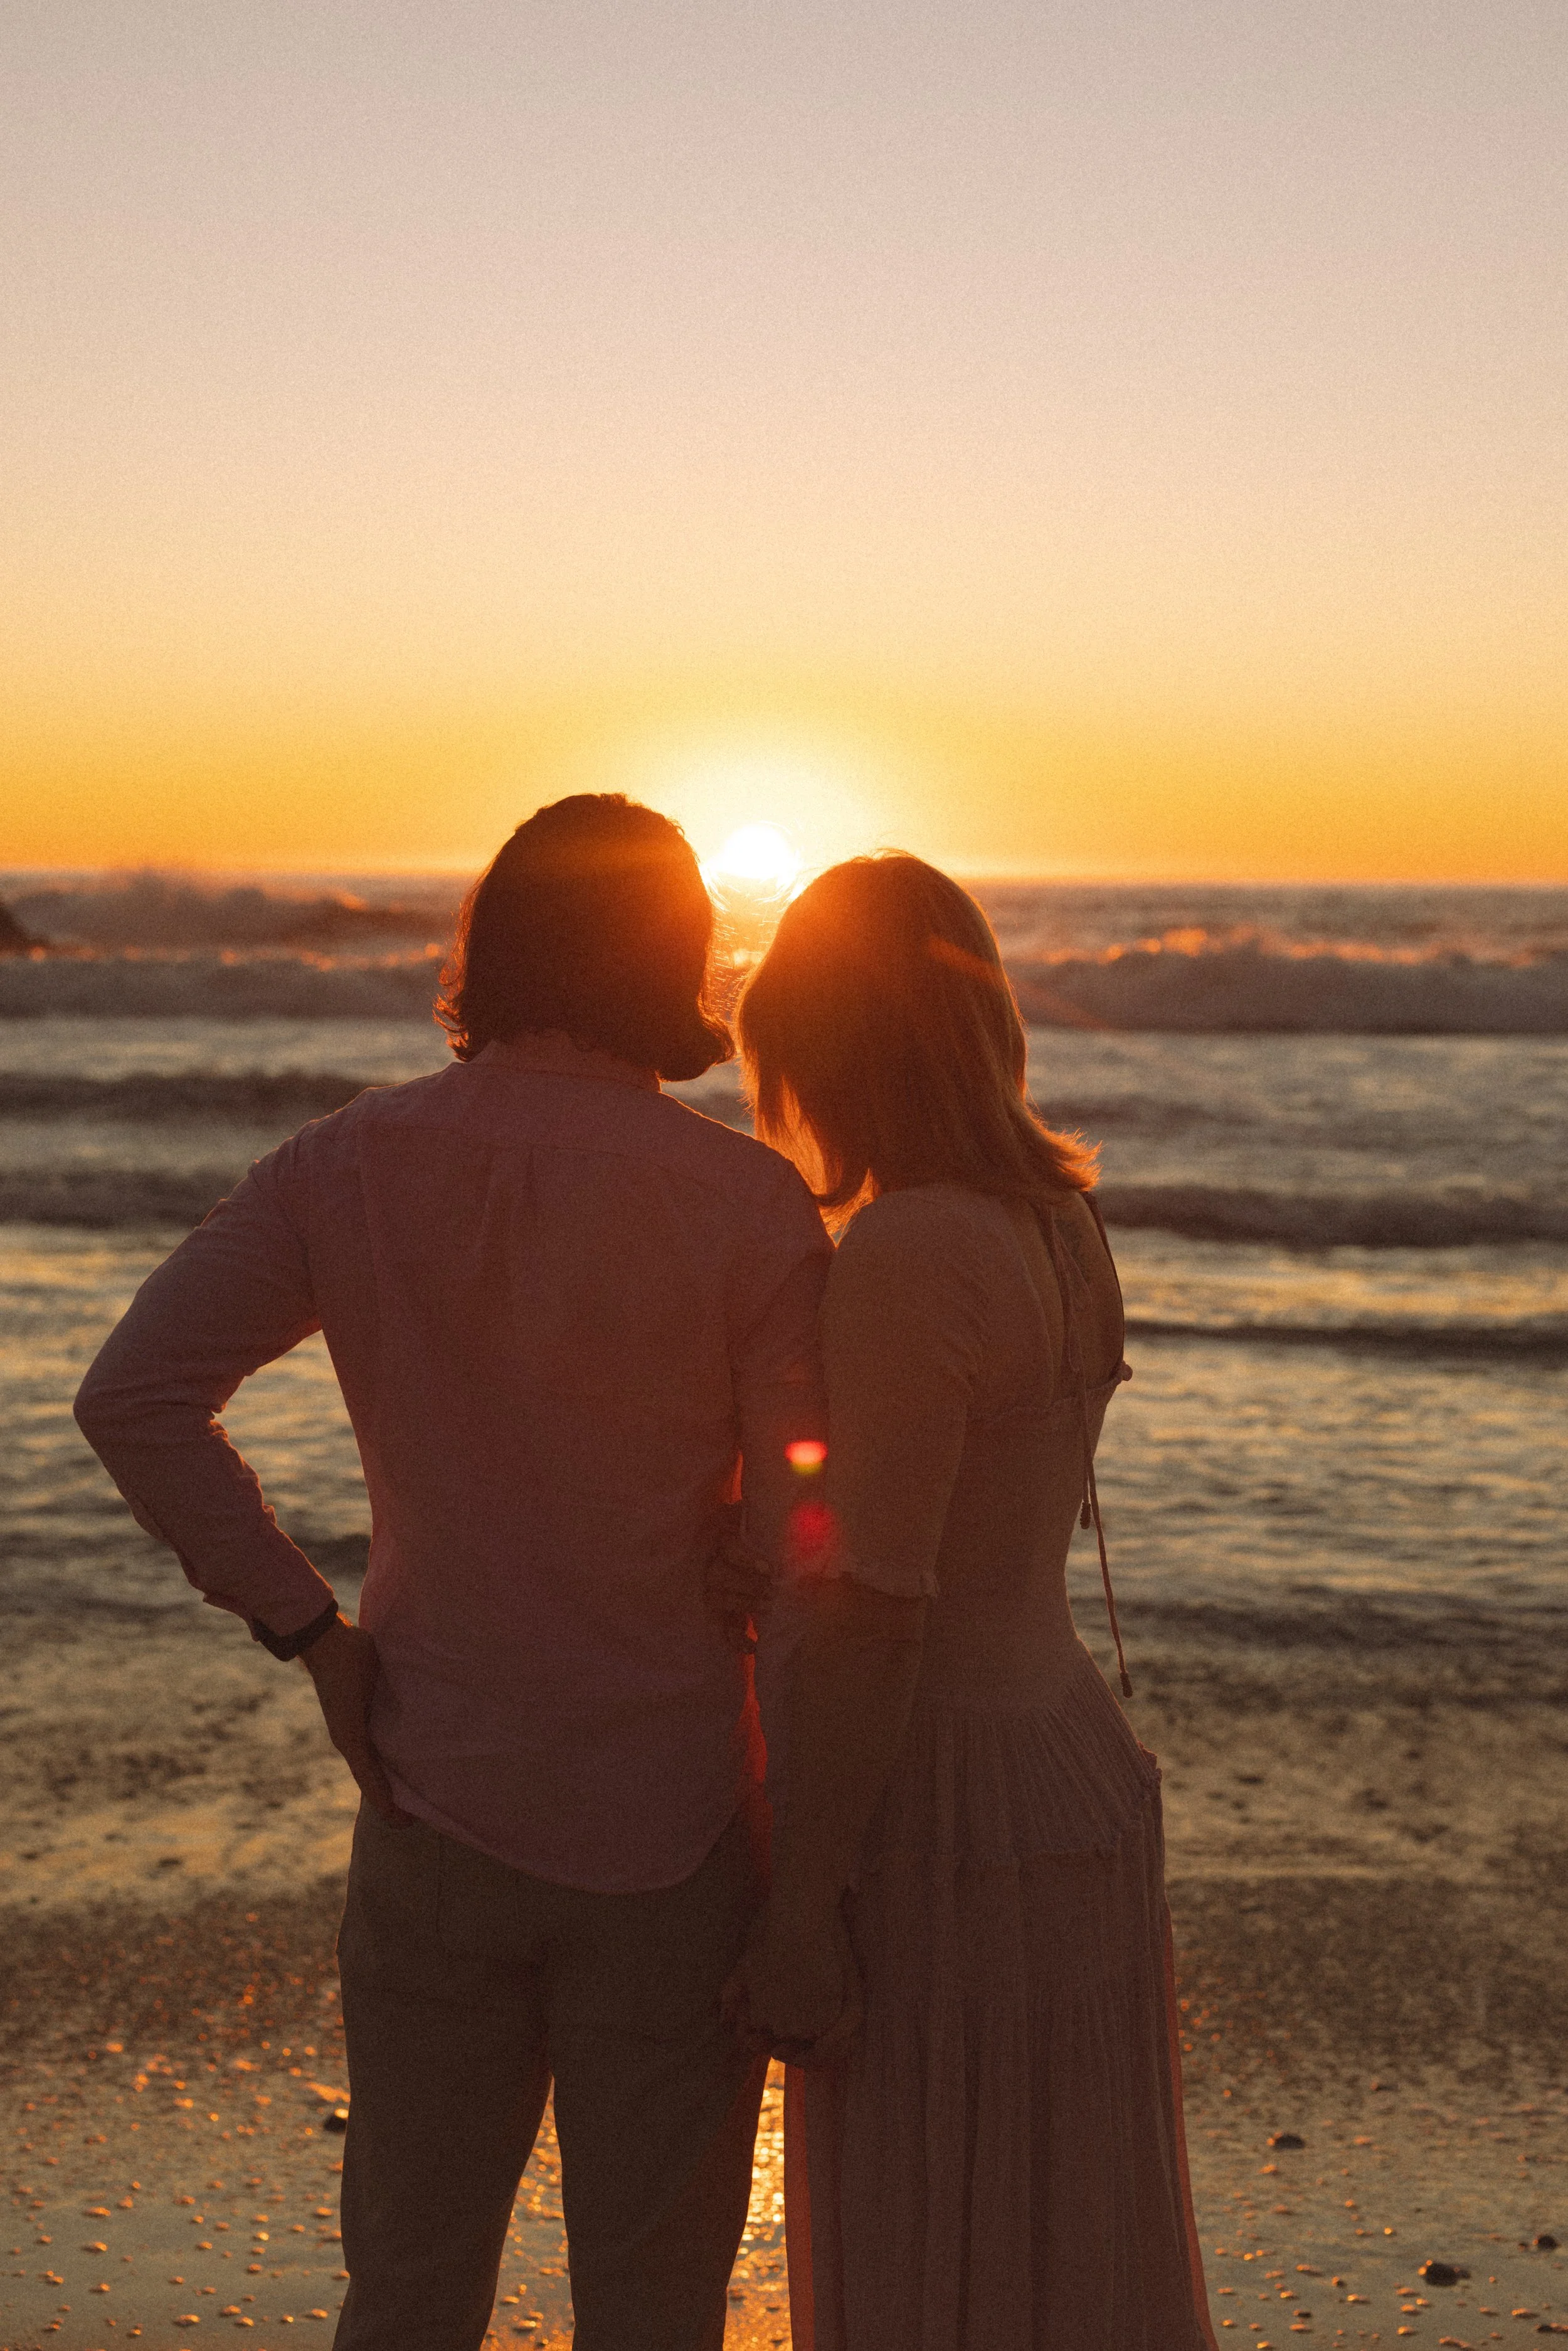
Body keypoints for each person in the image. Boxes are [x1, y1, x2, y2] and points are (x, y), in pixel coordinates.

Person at [75, 794, 831, 2351]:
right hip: (677, 1809)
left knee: (410, 2292)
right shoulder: (745, 1198)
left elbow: (133, 1397)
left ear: (492, 944)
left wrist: (311, 1629)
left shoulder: (350, 1161)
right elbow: (801, 1514)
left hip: (434, 1785)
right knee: (654, 2305)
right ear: (677, 954)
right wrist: (749, 1563)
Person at [722, 854, 1217, 2351]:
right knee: (1065, 2234)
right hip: (1065, 1752)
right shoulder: (1063, 1221)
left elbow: (884, 1606)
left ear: (828, 1043)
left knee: (935, 2237)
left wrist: (801, 1909)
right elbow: (988, 1506)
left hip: (942, 1795)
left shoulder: (909, 1244)